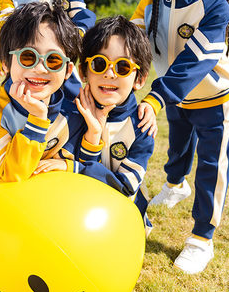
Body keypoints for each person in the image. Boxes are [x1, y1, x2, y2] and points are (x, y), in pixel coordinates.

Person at [131, 0, 229, 273]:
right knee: (177, 148)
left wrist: (157, 95)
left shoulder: (217, 6)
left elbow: (195, 62)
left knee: (211, 165)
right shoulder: (150, 0)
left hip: (214, 99)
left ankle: (202, 238)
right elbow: (129, 41)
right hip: (175, 97)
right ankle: (175, 185)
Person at [0, 2, 103, 186]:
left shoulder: (73, 113)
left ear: (68, 70)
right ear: (5, 64)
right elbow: (15, 174)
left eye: (53, 60)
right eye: (28, 57)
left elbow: (80, 172)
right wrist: (37, 119)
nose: (39, 68)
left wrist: (94, 134)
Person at [46, 16, 155, 235]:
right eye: (99, 63)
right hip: (75, 215)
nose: (110, 73)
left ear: (140, 79)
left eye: (123, 67)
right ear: (84, 72)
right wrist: (93, 135)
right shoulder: (71, 112)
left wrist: (74, 168)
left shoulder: (141, 127)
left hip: (120, 223)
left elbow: (124, 188)